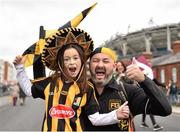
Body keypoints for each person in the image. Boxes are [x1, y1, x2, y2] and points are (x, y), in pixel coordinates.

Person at [13, 28, 131, 131]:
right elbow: (29, 90)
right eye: (66, 59)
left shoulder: (87, 88)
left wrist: (115, 115)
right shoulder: (50, 82)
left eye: (75, 58)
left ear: (82, 61)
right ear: (61, 63)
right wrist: (20, 69)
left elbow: (95, 119)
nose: (72, 62)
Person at [83, 47, 172, 131]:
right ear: (89, 65)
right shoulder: (77, 92)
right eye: (95, 61)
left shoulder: (127, 91)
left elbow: (164, 109)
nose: (100, 65)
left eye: (105, 61)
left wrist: (143, 79)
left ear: (114, 67)